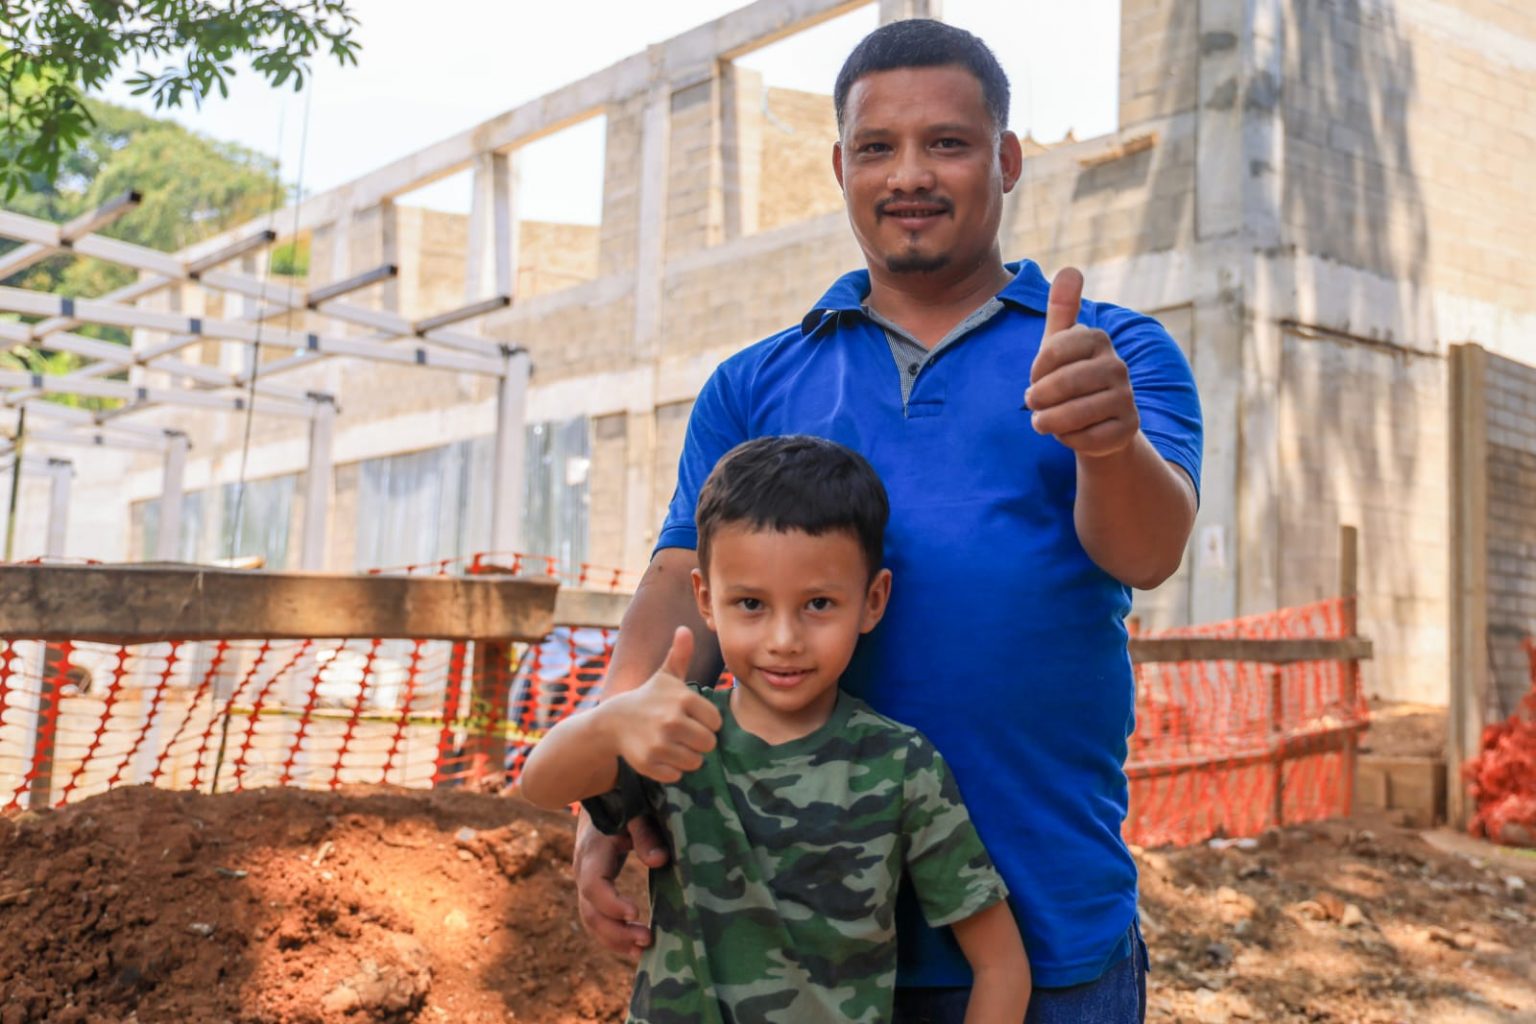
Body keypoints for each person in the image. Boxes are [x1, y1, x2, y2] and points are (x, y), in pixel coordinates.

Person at [575, 18, 1203, 1024]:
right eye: (878, 147)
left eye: (947, 143)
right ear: (840, 167)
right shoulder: (752, 383)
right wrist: (605, 786)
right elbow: (674, 595)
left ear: (1006, 159)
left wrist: (1107, 438)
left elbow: (1149, 548)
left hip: (1049, 934)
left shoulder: (1110, 353)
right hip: (785, 953)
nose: (909, 173)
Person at [521, 435, 1032, 1023]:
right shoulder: (674, 732)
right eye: (750, 604)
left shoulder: (900, 765)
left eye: (817, 604)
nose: (784, 639)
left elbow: (1001, 965)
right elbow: (540, 785)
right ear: (705, 601)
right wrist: (610, 720)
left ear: (873, 600)